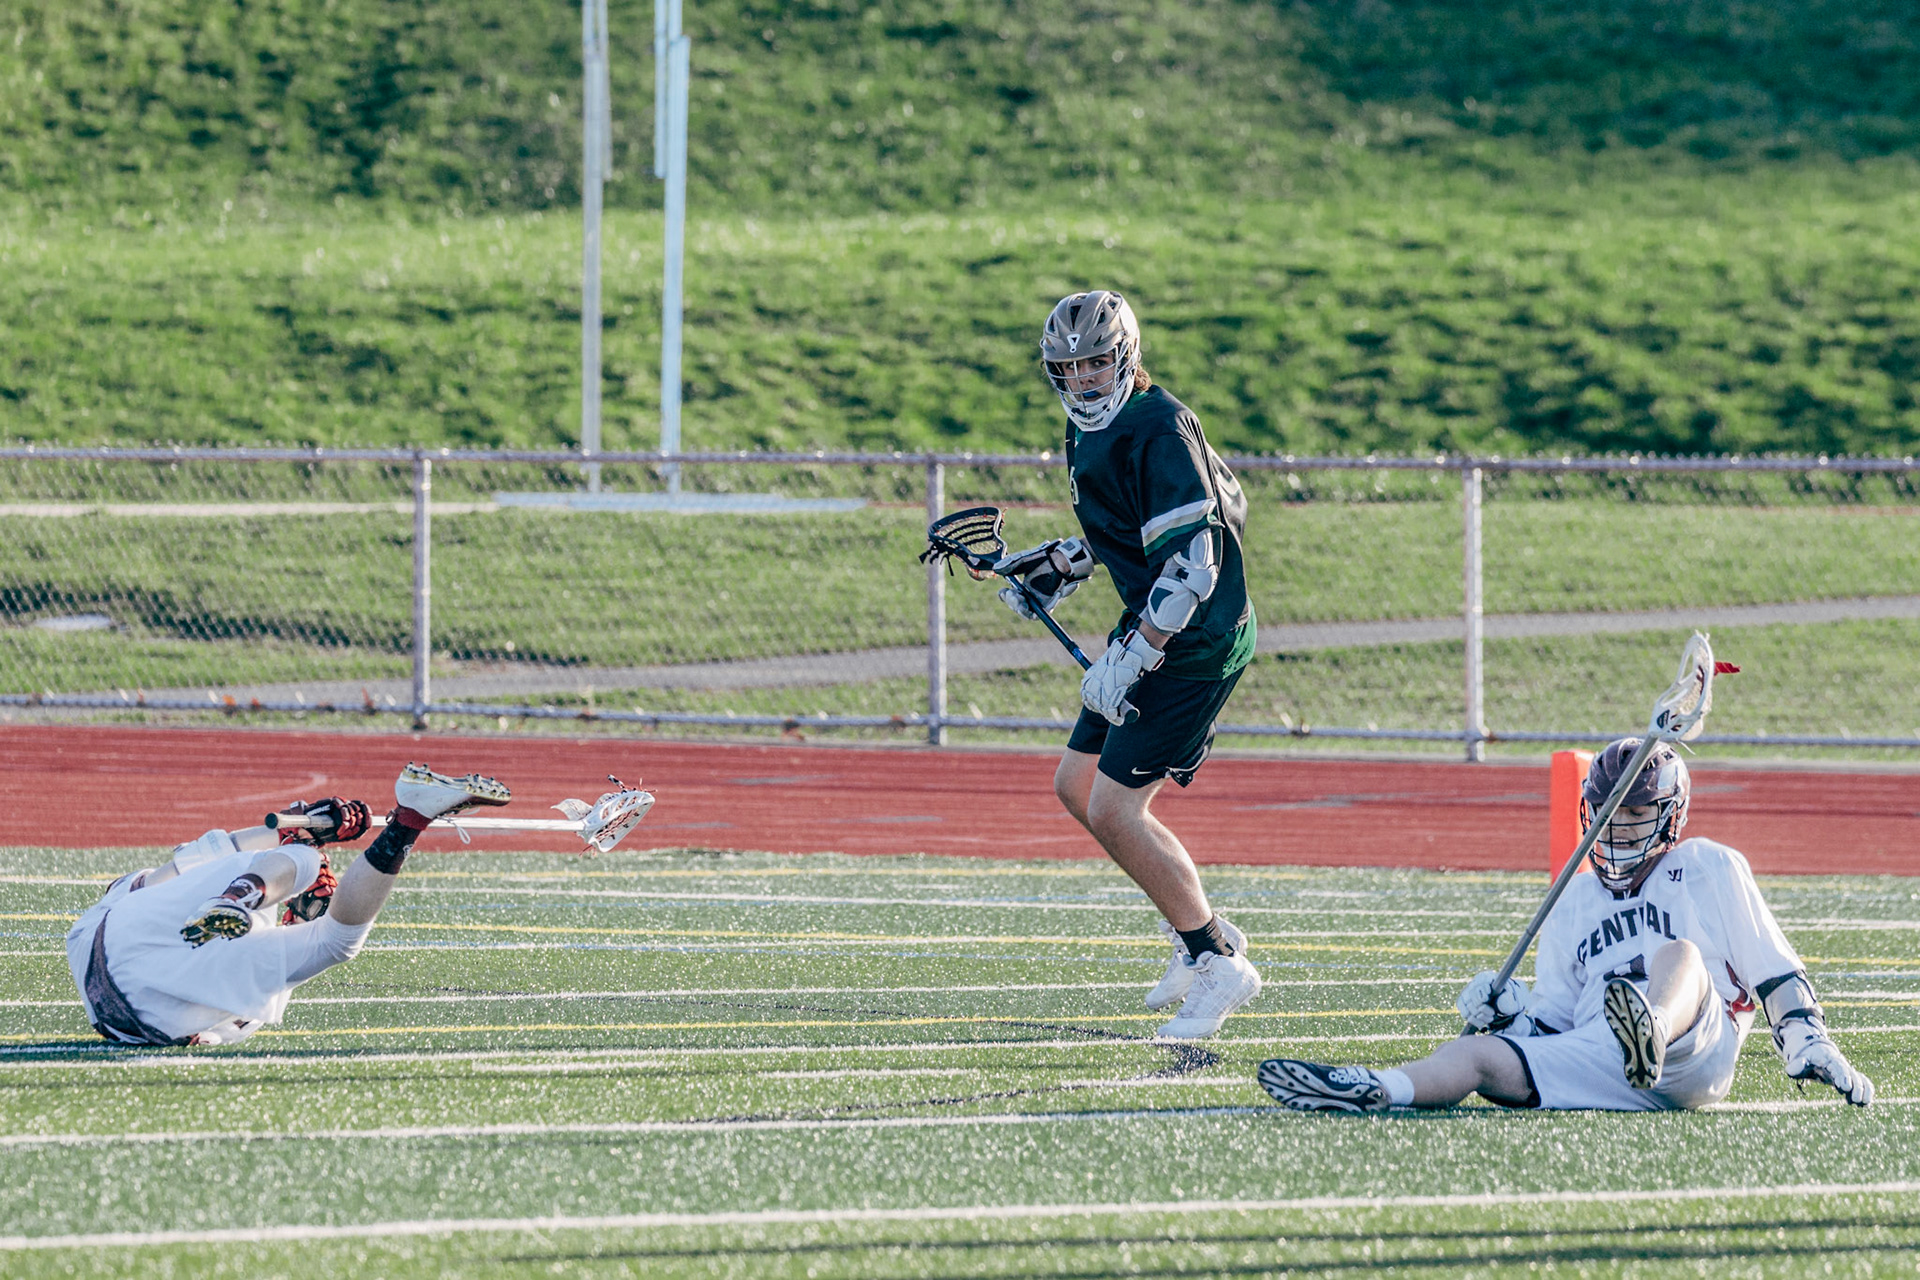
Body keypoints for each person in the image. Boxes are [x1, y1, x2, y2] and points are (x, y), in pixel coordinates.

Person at [1256, 738, 1874, 1112]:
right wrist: (1509, 1016)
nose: (1616, 829)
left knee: (1680, 955)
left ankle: (1651, 1031)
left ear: (1670, 817)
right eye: (1606, 814)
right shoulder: (1574, 898)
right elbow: (1554, 1023)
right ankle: (1376, 1086)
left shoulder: (1706, 866)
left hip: (1693, 1051)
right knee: (1475, 1055)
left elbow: (1771, 965)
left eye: (1633, 815)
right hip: (1601, 1053)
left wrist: (1805, 1035)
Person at [998, 290, 1260, 1039]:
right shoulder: (1092, 428)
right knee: (1077, 787)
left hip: (1194, 641)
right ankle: (1195, 929)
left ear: (1126, 356)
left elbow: (1196, 562)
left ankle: (1217, 963)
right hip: (1155, 618)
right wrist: (1062, 563)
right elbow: (1130, 531)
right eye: (1068, 367)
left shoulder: (1157, 425)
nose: (1082, 380)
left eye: (1095, 363)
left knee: (1116, 809)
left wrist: (1135, 655)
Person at [66, 763, 509, 1047]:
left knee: (302, 862)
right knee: (327, 921)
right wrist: (304, 835)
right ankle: (407, 822)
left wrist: (304, 827)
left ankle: (241, 893)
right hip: (154, 1017)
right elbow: (240, 1007)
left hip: (103, 949)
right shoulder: (234, 978)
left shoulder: (126, 903)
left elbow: (199, 857)